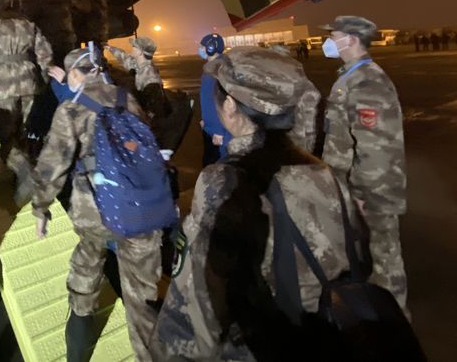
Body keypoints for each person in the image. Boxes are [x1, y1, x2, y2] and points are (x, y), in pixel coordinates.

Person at [154, 47, 367, 361]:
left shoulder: (224, 181)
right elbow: (358, 258)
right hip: (325, 335)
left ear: (230, 107)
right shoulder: (323, 173)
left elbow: (201, 296)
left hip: (263, 343)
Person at [32, 47, 163, 362]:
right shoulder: (127, 99)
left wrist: (41, 208)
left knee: (86, 272)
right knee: (142, 296)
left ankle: (78, 349)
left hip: (95, 212)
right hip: (139, 209)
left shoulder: (72, 108)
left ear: (75, 75)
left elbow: (52, 165)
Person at [320, 15, 409, 316]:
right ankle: (376, 311)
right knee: (367, 255)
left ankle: (395, 320)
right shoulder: (351, 76)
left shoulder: (368, 82)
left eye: (334, 36)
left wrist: (363, 191)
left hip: (374, 187)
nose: (329, 42)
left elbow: (375, 146)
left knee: (385, 257)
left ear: (352, 39)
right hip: (354, 184)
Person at [0, 11, 54, 203]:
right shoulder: (31, 26)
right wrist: (42, 81)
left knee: (4, 136)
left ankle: (24, 176)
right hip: (30, 83)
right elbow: (46, 56)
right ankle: (27, 175)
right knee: (25, 133)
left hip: (2, 87)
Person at [106, 36, 166, 120]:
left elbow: (154, 100)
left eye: (135, 47)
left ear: (140, 52)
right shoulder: (138, 64)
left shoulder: (149, 73)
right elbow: (124, 57)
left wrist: (148, 116)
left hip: (147, 115)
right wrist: (109, 48)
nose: (132, 48)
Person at [198, 33, 231, 165]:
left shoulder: (214, 72)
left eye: (202, 46)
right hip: (216, 128)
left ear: (210, 48)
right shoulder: (219, 66)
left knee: (215, 166)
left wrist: (217, 130)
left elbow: (215, 101)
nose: (200, 49)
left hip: (218, 132)